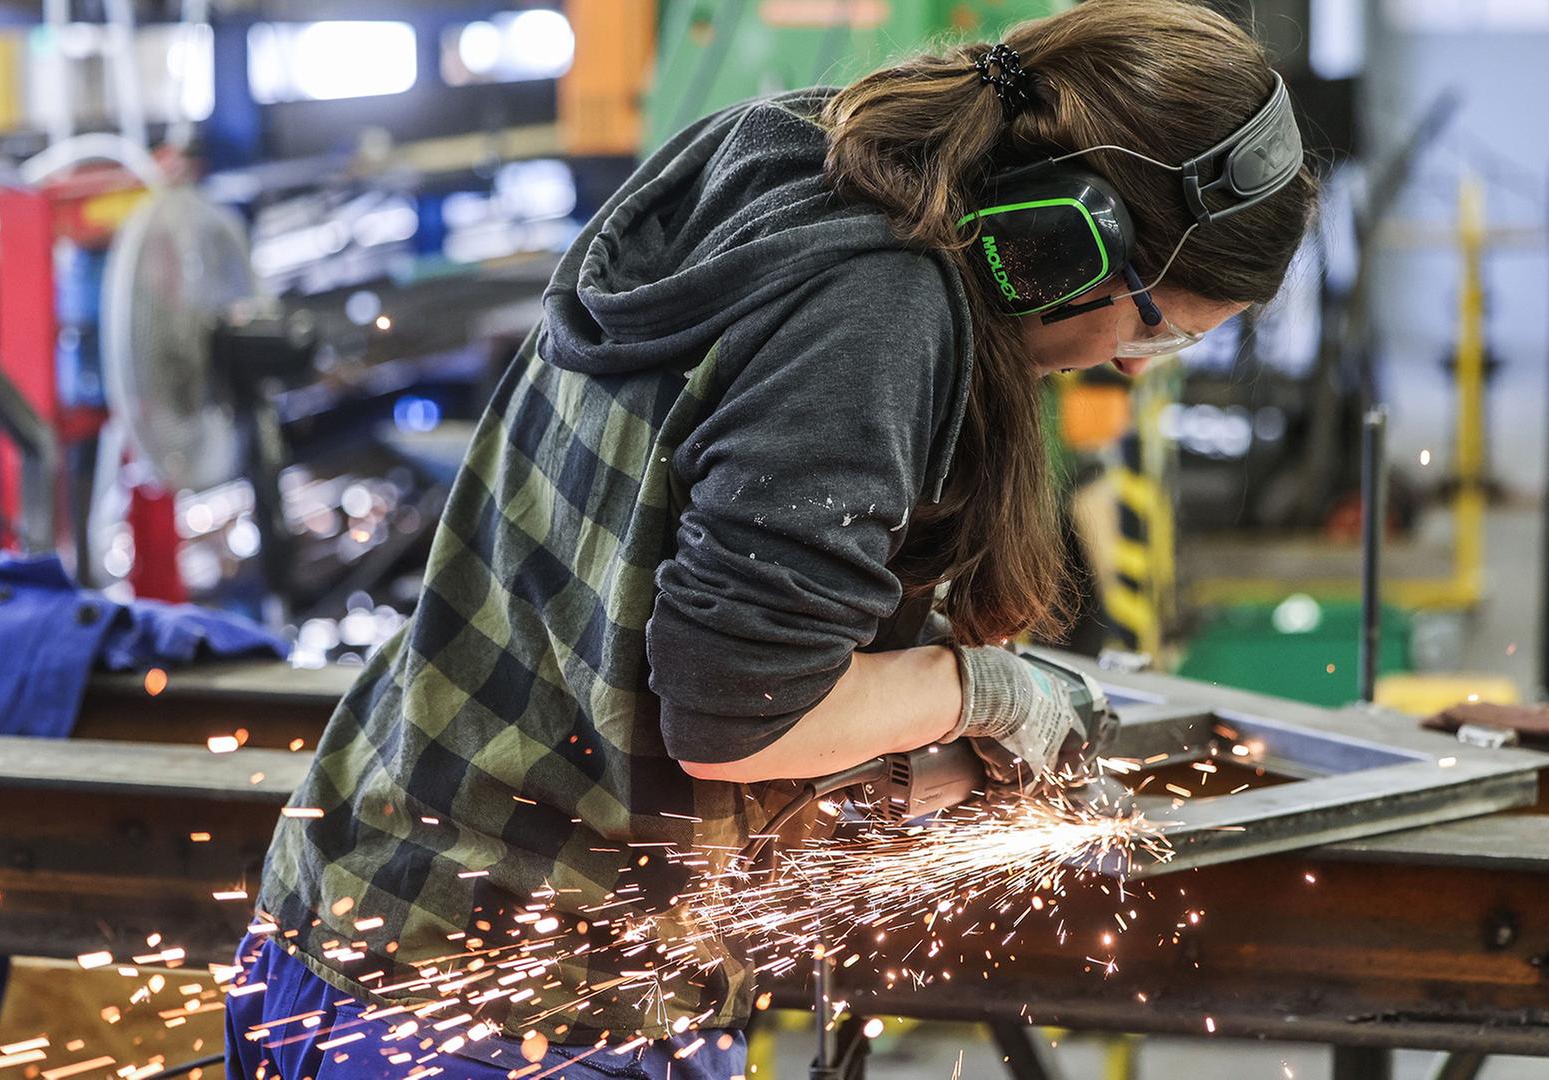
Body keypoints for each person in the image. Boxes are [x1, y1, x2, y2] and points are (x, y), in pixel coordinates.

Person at [226, 2, 1314, 1076]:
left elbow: (686, 585)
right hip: (502, 1010)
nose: (1132, 361)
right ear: (1063, 237)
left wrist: (916, 742)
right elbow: (734, 717)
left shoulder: (800, 151)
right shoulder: (878, 312)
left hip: (353, 901)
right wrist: (985, 691)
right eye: (1153, 322)